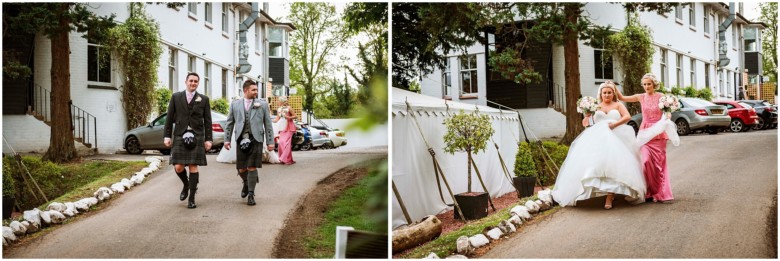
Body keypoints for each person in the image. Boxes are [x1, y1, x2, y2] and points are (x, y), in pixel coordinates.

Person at [551, 81, 646, 209]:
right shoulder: (595, 106)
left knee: (614, 165)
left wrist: (614, 125)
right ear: (600, 94)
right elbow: (586, 124)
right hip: (598, 138)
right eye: (605, 93)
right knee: (597, 165)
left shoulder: (618, 105)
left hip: (617, 136)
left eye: (609, 92)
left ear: (613, 93)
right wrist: (587, 115)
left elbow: (627, 116)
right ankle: (594, 191)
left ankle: (609, 195)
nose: (607, 95)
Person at [616, 73, 675, 203]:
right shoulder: (640, 97)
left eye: (649, 84)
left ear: (654, 85)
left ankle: (660, 193)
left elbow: (668, 112)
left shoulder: (661, 97)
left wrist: (666, 118)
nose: (647, 86)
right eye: (645, 84)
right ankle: (649, 191)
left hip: (659, 133)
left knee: (659, 165)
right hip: (645, 133)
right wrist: (612, 86)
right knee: (646, 161)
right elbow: (621, 97)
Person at [164, 72, 213, 209]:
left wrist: (208, 139)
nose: (193, 83)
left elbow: (208, 121)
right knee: (178, 167)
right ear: (186, 82)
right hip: (180, 134)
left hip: (197, 135)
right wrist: (167, 136)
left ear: (198, 83)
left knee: (193, 166)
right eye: (191, 81)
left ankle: (191, 198)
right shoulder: (176, 97)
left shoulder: (203, 99)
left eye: (196, 81)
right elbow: (169, 118)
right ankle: (186, 185)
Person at [223, 80, 275, 206]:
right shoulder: (235, 105)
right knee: (241, 168)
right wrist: (227, 139)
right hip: (241, 138)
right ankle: (247, 182)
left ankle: (251, 194)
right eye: (253, 90)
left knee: (252, 166)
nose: (256, 92)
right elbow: (229, 123)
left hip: (256, 138)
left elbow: (268, 124)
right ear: (245, 90)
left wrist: (270, 141)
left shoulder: (262, 104)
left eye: (256, 90)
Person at [273, 97, 297, 165]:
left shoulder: (289, 108)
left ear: (282, 101)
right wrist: (268, 121)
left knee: (287, 143)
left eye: (279, 101)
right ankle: (286, 159)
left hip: (289, 127)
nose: (277, 102)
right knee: (281, 142)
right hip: (282, 127)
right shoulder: (279, 109)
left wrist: (289, 117)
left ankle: (284, 158)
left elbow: (295, 116)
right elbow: (277, 119)